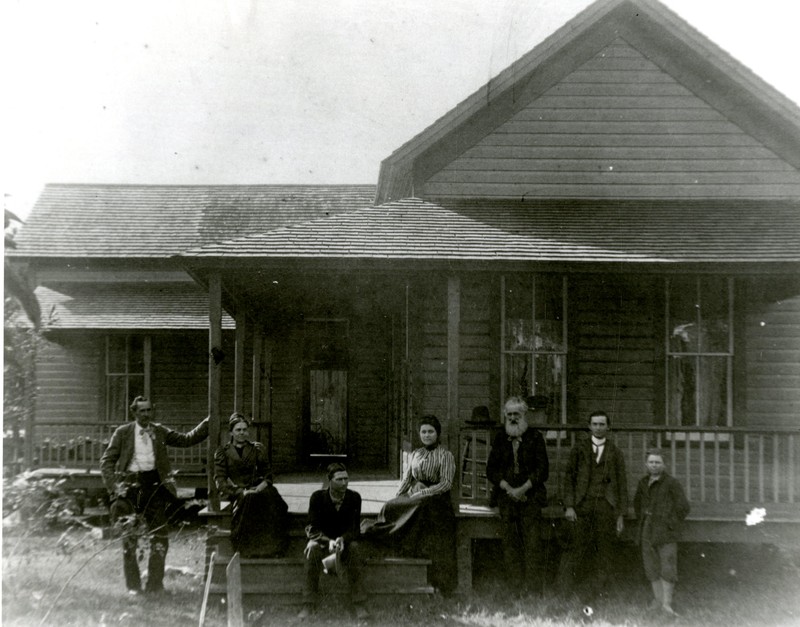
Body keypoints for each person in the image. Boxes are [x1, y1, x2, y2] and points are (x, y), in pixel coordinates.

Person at [99, 396, 209, 595]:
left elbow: (186, 439)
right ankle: (133, 587)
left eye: (149, 410)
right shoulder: (123, 433)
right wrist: (115, 487)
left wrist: (209, 423)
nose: (146, 414)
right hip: (129, 487)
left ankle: (155, 585)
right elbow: (106, 461)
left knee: (160, 536)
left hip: (154, 487)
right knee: (129, 538)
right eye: (142, 411)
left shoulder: (159, 431)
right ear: (134, 413)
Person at [363, 415, 458, 596]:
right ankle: (380, 531)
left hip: (436, 499)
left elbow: (446, 484)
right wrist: (398, 498)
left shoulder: (446, 455)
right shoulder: (416, 453)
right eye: (423, 432)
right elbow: (407, 480)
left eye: (431, 431)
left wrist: (423, 492)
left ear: (438, 434)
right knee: (391, 506)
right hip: (415, 494)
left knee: (420, 503)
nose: (427, 435)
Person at [560, 410, 628, 598]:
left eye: (602, 424)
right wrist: (570, 506)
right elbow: (569, 479)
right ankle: (571, 590)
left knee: (604, 548)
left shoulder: (615, 452)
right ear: (589, 426)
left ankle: (599, 590)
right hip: (583, 504)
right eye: (595, 424)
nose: (598, 428)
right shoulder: (579, 449)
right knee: (578, 546)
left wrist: (620, 514)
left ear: (608, 427)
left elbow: (622, 484)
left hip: (606, 506)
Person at [486, 396, 549, 595]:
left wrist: (523, 489)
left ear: (524, 415)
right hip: (506, 496)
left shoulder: (535, 437)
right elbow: (491, 470)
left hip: (531, 495)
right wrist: (507, 488)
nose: (513, 418)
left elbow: (543, 469)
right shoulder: (500, 438)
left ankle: (533, 589)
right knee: (510, 542)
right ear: (505, 415)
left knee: (532, 542)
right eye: (510, 414)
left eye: (517, 414)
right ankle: (515, 587)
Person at [299, 462, 368, 620]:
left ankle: (359, 603)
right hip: (324, 544)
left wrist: (343, 539)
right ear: (329, 480)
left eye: (346, 479)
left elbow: (355, 529)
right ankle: (308, 603)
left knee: (356, 548)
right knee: (311, 548)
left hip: (345, 544)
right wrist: (326, 540)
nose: (344, 483)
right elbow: (310, 528)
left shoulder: (354, 498)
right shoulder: (317, 498)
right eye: (339, 479)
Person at [213, 412, 288, 558]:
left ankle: (273, 549)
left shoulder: (257, 449)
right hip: (238, 492)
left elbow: (268, 475)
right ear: (231, 433)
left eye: (244, 430)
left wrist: (260, 487)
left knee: (272, 500)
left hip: (259, 488)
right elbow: (220, 481)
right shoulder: (223, 452)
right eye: (238, 430)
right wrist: (241, 492)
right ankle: (248, 550)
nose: (242, 433)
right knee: (248, 501)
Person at [633, 448, 690, 617]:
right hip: (647, 528)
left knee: (667, 565)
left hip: (665, 530)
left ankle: (667, 604)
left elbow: (683, 507)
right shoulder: (643, 483)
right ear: (646, 464)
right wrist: (644, 519)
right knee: (651, 566)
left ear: (664, 465)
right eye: (651, 462)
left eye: (657, 462)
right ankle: (657, 601)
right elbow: (638, 504)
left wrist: (669, 522)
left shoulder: (672, 483)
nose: (654, 465)